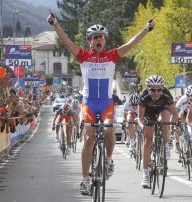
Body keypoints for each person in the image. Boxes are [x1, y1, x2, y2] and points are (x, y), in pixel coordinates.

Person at [47, 11, 155, 195]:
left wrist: (146, 29)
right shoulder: (83, 56)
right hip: (89, 102)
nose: (99, 39)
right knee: (89, 139)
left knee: (109, 131)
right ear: (90, 40)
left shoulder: (112, 56)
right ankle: (85, 179)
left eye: (102, 36)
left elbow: (130, 44)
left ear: (105, 40)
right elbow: (67, 42)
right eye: (95, 37)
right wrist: (55, 23)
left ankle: (109, 159)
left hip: (106, 103)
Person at [138, 75, 179, 188]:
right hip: (149, 113)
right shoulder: (144, 96)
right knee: (148, 140)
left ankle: (166, 144)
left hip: (162, 109)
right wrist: (142, 126)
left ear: (162, 88)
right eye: (152, 90)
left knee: (165, 120)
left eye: (159, 89)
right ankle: (145, 174)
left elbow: (175, 114)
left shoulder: (166, 94)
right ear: (148, 89)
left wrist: (176, 125)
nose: (156, 92)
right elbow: (140, 118)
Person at [175, 85, 192, 153]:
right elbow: (176, 110)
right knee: (178, 124)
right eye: (190, 99)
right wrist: (177, 121)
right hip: (184, 113)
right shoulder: (183, 99)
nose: (191, 100)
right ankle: (177, 143)